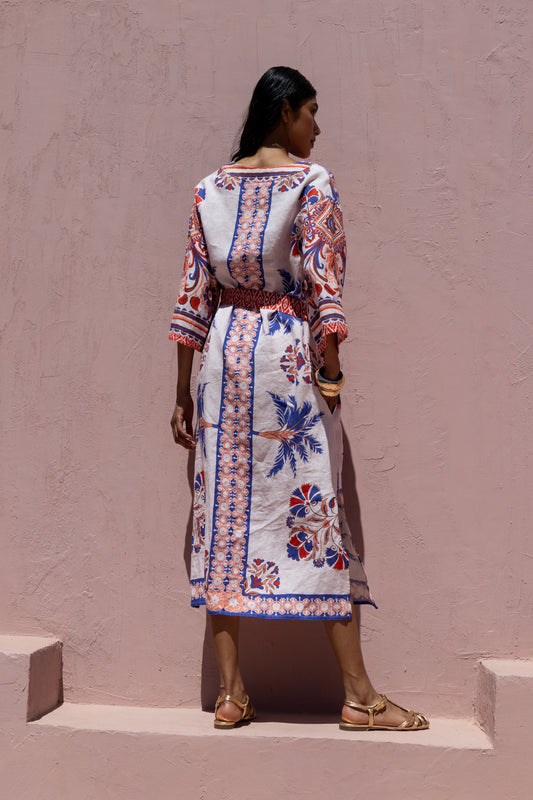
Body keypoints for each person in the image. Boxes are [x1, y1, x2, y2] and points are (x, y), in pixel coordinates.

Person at [170, 66, 429, 732]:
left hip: (223, 360)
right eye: (311, 111)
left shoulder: (211, 188)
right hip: (285, 358)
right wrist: (332, 369)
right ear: (283, 111)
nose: (317, 125)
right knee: (318, 516)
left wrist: (179, 393)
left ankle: (231, 694)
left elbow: (193, 296)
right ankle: (358, 695)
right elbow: (322, 281)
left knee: (223, 517)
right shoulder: (311, 183)